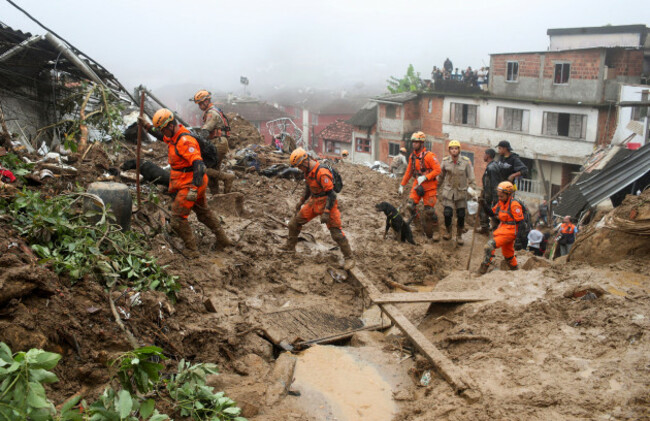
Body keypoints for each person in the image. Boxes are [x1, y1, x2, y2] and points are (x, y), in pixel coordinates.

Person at [145, 108, 232, 258]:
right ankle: (223, 239)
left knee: (178, 218)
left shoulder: (185, 141)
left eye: (163, 129)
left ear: (170, 125)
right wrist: (147, 127)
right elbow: (162, 137)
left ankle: (192, 250)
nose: (163, 133)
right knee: (203, 213)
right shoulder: (174, 135)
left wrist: (193, 189)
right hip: (190, 182)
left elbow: (199, 164)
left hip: (191, 184)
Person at [284, 148, 354, 270]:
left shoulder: (322, 172)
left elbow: (332, 195)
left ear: (305, 161)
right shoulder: (308, 171)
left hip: (327, 202)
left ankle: (349, 258)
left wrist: (326, 212)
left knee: (336, 233)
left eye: (300, 166)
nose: (300, 169)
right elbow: (308, 187)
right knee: (293, 224)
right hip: (314, 201)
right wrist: (301, 201)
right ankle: (289, 248)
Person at [399, 131, 442, 241]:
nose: (414, 144)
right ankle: (418, 228)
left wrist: (426, 177)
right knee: (410, 205)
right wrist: (402, 184)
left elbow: (438, 170)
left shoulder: (429, 156)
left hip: (429, 186)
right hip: (418, 184)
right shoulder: (412, 156)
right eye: (413, 142)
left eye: (416, 142)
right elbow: (409, 172)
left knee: (429, 210)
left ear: (422, 143)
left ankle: (436, 230)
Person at [193, 90, 235, 194]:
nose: (199, 106)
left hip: (218, 143)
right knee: (213, 172)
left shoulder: (212, 113)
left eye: (201, 103)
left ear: (207, 101)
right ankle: (217, 196)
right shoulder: (212, 111)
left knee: (204, 168)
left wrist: (195, 142)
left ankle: (227, 177)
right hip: (217, 142)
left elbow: (205, 131)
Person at [478, 181, 524, 274]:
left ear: (509, 194)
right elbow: (492, 213)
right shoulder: (501, 202)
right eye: (498, 196)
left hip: (511, 231)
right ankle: (515, 271)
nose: (499, 198)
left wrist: (518, 240)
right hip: (503, 228)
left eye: (501, 196)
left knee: (490, 245)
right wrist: (484, 205)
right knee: (508, 254)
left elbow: (521, 223)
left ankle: (483, 269)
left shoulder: (514, 205)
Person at [438, 140, 477, 245]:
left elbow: (471, 177)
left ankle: (459, 235)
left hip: (461, 193)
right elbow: (440, 176)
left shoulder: (465, 161)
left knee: (461, 214)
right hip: (449, 192)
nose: (454, 150)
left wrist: (473, 189)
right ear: (449, 150)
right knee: (447, 213)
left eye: (456, 148)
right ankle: (448, 232)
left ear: (459, 150)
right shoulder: (445, 161)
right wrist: (435, 188)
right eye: (452, 148)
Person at [478, 148, 501, 234]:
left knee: (489, 211)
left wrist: (495, 198)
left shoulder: (492, 168)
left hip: (490, 195)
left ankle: (488, 228)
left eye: (484, 154)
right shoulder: (491, 166)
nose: (483, 156)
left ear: (488, 155)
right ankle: (488, 228)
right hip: (488, 193)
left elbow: (494, 184)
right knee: (485, 210)